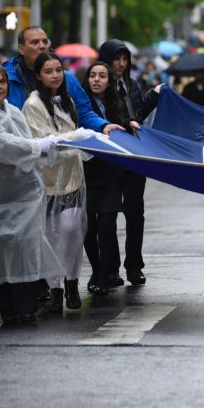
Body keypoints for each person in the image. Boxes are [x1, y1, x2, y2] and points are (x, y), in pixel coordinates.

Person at [0, 64, 67, 325]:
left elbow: (27, 147)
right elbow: (4, 146)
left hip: (22, 197)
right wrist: (38, 146)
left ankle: (26, 308)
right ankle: (8, 310)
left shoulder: (14, 112)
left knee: (26, 250)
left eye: (2, 82)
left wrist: (52, 147)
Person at [22, 52, 95, 312]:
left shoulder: (67, 100)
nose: (55, 75)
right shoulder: (33, 105)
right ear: (39, 75)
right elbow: (46, 142)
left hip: (73, 179)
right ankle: (55, 288)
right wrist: (77, 136)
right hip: (48, 183)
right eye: (49, 71)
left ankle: (72, 281)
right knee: (51, 236)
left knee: (71, 230)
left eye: (58, 70)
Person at [98, 39, 155, 285]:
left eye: (124, 59)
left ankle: (134, 266)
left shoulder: (132, 85)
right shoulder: (98, 84)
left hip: (133, 158)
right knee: (108, 217)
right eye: (116, 59)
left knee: (135, 213)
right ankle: (110, 269)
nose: (120, 64)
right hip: (110, 159)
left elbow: (138, 113)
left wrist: (155, 96)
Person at [3, 27, 115, 135]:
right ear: (21, 49)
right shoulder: (5, 79)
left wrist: (103, 125)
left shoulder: (67, 79)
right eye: (35, 42)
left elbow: (83, 112)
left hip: (64, 149)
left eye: (45, 41)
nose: (42, 46)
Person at [79, 61, 131, 293]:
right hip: (87, 172)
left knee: (107, 226)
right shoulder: (79, 105)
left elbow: (124, 125)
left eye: (101, 76)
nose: (96, 80)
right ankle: (96, 268)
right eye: (92, 75)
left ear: (109, 81)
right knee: (88, 227)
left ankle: (104, 275)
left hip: (110, 172)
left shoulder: (115, 103)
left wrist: (128, 122)